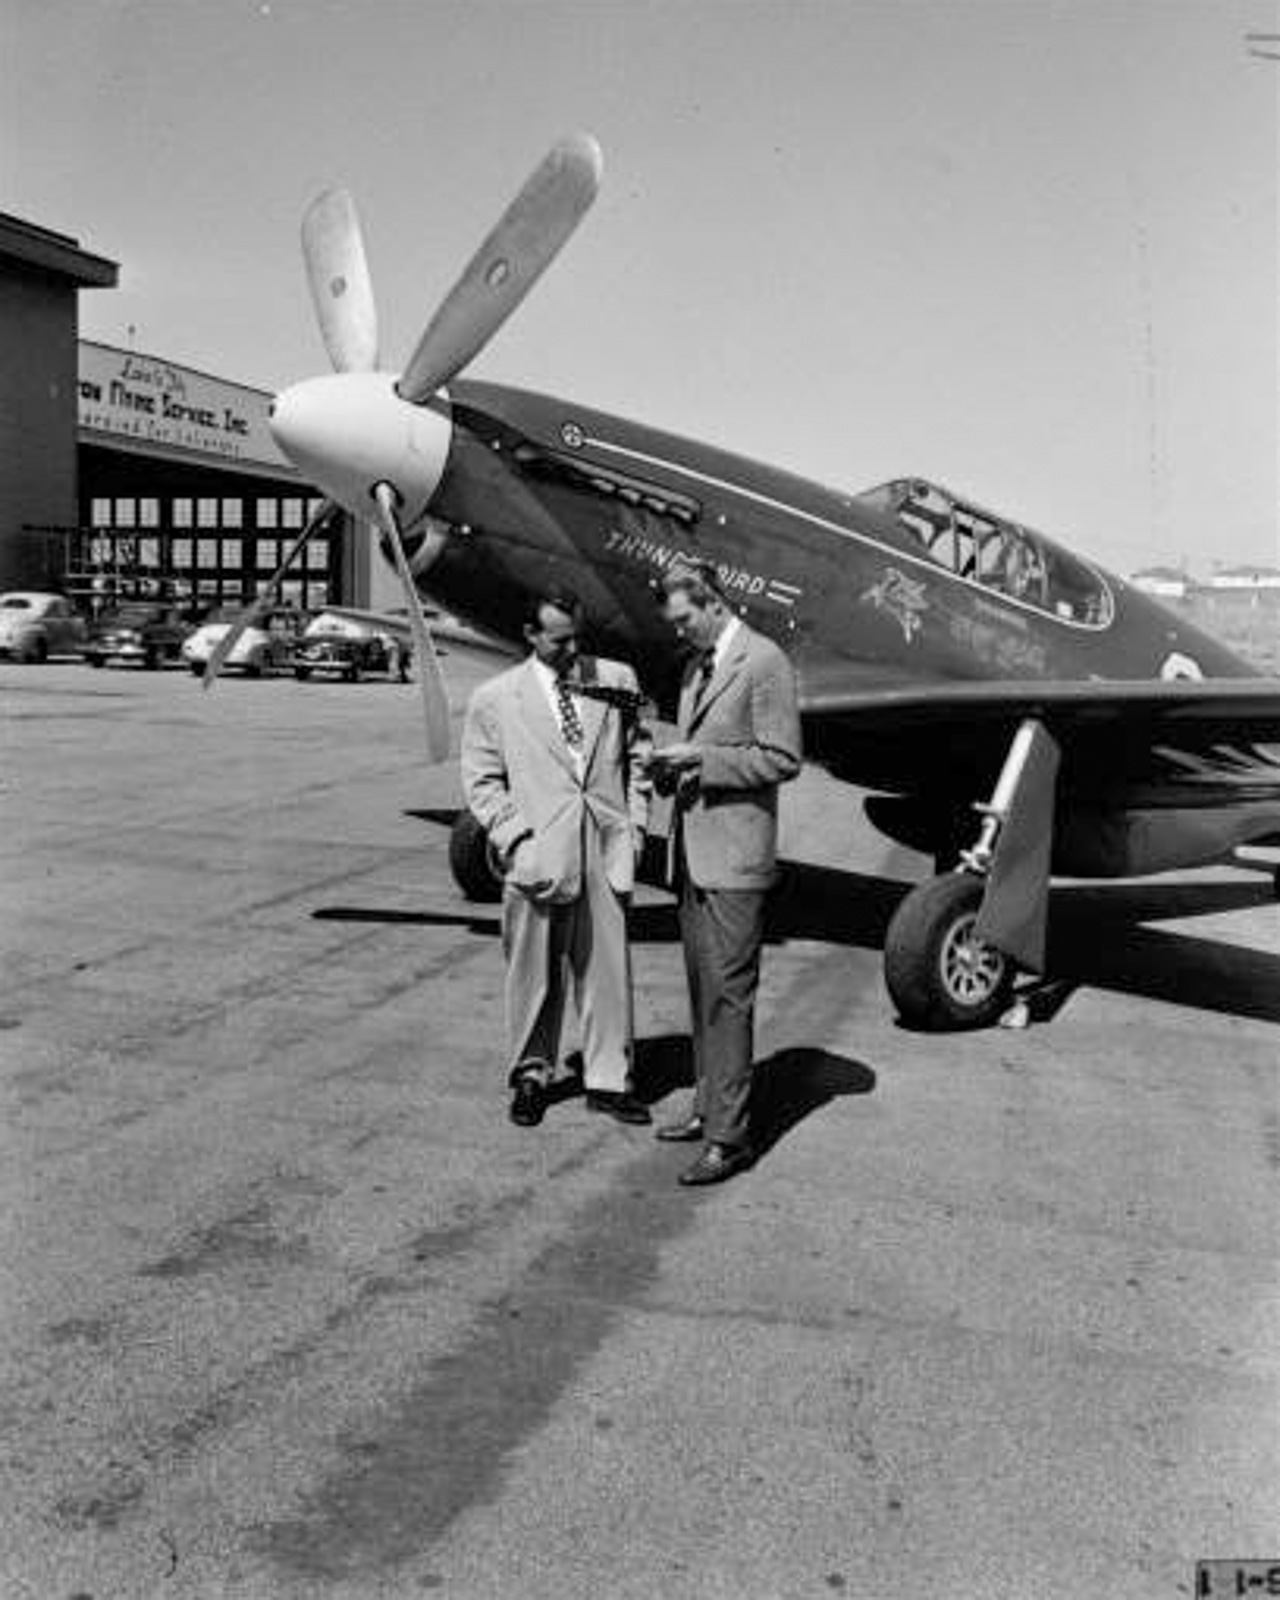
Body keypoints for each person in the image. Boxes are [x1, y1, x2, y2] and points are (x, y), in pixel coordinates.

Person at [460, 588, 652, 1128]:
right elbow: (481, 782)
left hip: (606, 850)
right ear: (530, 635)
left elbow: (639, 753)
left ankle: (609, 1080)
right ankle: (530, 1075)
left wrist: (634, 829)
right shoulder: (494, 698)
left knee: (609, 975)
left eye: (577, 638)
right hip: (538, 856)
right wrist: (518, 842)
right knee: (532, 975)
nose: (572, 650)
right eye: (559, 640)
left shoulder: (618, 681)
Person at [649, 560, 802, 1185]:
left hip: (735, 861)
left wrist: (702, 759)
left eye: (685, 619)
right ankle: (709, 1106)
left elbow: (783, 756)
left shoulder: (764, 661)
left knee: (730, 999)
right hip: (692, 853)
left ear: (712, 604)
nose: (680, 632)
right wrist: (668, 767)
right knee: (701, 993)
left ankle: (729, 1139)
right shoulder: (695, 667)